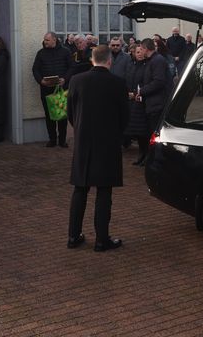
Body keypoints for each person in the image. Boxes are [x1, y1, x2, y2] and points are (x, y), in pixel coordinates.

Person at [66, 45, 129, 252]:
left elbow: (71, 114)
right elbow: (124, 117)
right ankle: (102, 239)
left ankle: (73, 236)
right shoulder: (117, 83)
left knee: (80, 189)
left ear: (92, 60)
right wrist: (116, 134)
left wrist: (82, 129)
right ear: (109, 61)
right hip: (108, 142)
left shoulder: (76, 81)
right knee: (104, 191)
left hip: (83, 141)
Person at [31, 31, 72, 148]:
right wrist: (41, 81)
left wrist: (65, 79)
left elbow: (72, 67)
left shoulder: (65, 52)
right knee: (49, 116)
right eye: (44, 40)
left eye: (47, 40)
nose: (45, 42)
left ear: (54, 39)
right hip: (46, 89)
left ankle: (62, 140)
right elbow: (35, 69)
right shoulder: (41, 53)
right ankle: (52, 140)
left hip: (61, 89)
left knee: (62, 116)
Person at [122, 44, 150, 165]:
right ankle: (141, 154)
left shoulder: (148, 66)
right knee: (137, 131)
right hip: (132, 101)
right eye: (136, 52)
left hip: (142, 100)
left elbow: (146, 83)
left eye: (140, 51)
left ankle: (146, 155)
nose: (138, 54)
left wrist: (136, 93)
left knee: (143, 131)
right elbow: (128, 80)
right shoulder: (131, 65)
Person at [138, 38, 169, 135]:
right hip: (153, 103)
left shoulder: (157, 60)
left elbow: (158, 82)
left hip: (158, 105)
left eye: (141, 49)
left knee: (156, 133)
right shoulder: (151, 60)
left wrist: (141, 91)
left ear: (146, 49)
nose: (140, 52)